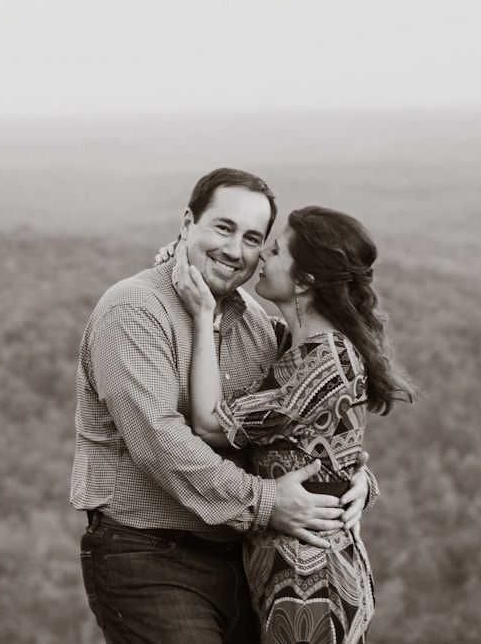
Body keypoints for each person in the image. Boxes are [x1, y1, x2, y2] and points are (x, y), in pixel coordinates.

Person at [71, 169, 378, 644]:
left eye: (254, 238)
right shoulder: (134, 310)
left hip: (244, 559)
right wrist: (267, 502)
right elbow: (159, 443)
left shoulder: (258, 323)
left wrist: (351, 479)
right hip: (151, 555)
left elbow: (306, 414)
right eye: (223, 227)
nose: (235, 250)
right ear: (187, 222)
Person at [171, 205, 417, 643]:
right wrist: (185, 256)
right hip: (295, 565)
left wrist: (201, 317)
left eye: (277, 250)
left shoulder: (324, 360)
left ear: (304, 281)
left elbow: (209, 424)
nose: (263, 254)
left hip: (309, 578)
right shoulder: (301, 345)